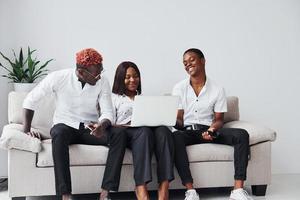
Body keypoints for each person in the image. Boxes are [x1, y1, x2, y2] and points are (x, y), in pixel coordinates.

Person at [22, 48, 127, 200]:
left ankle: (105, 192)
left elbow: (108, 112)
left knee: (119, 134)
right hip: (65, 126)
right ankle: (66, 195)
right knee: (58, 133)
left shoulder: (102, 81)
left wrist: (101, 126)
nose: (100, 76)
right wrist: (26, 130)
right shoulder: (58, 77)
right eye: (97, 73)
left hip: (90, 128)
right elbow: (30, 100)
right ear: (82, 72)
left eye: (101, 71)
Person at [172, 48, 252, 200]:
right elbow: (180, 120)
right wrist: (169, 120)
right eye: (185, 63)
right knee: (175, 137)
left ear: (203, 61)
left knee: (242, 134)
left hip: (209, 129)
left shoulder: (217, 89)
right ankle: (190, 191)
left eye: (192, 60)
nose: (188, 64)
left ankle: (237, 190)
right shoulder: (179, 88)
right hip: (187, 131)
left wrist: (212, 130)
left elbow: (219, 119)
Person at [101, 61, 174, 200]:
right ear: (120, 79)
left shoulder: (144, 98)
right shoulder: (113, 98)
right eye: (128, 77)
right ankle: (141, 187)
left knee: (164, 131)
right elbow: (109, 122)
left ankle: (164, 188)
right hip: (125, 133)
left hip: (146, 131)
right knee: (144, 132)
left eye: (136, 76)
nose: (133, 80)